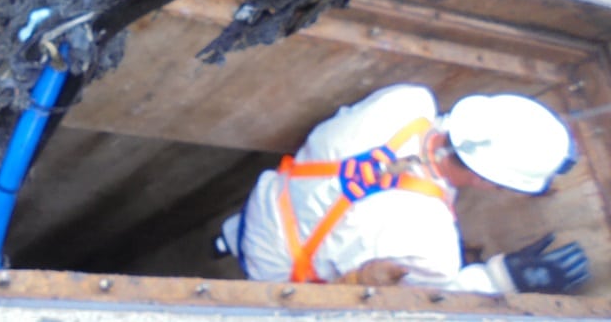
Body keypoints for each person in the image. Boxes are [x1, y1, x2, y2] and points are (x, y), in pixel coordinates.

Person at [217, 84, 590, 294]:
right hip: (277, 274)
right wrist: (497, 279)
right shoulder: (432, 245)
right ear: (488, 181)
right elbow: (418, 308)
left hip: (265, 204)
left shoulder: (406, 101)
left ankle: (226, 240)